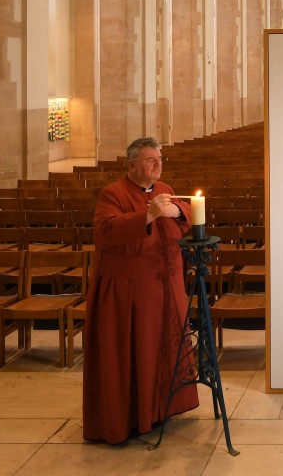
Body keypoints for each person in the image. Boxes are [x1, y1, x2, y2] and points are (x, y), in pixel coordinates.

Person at [82, 137, 198, 444]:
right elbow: (106, 231)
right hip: (130, 293)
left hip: (166, 287)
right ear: (131, 165)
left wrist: (180, 212)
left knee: (165, 348)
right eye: (151, 160)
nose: (158, 164)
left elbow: (184, 215)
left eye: (160, 159)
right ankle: (132, 415)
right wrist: (148, 216)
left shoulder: (165, 190)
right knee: (136, 351)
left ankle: (161, 408)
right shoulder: (113, 194)